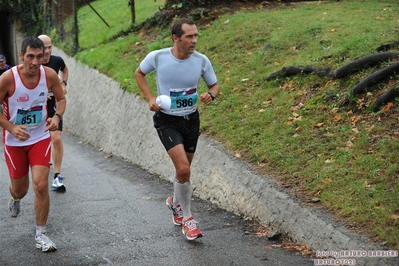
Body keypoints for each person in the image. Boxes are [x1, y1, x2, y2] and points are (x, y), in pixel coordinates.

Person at [134, 18, 220, 240]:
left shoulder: (201, 61)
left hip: (191, 119)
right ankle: (188, 221)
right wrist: (150, 97)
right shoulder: (159, 57)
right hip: (167, 120)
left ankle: (174, 202)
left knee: (184, 171)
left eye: (196, 35)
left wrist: (210, 95)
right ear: (176, 38)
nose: (194, 40)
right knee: (183, 169)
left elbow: (214, 85)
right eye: (189, 36)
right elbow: (139, 73)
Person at [0, 36, 66, 252]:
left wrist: (56, 118)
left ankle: (41, 234)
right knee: (21, 189)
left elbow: (61, 99)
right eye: (30, 57)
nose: (35, 62)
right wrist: (11, 127)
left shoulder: (48, 76)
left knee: (40, 185)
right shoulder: (8, 79)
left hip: (39, 138)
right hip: (14, 141)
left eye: (40, 57)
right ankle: (14, 197)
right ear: (21, 56)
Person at [38, 34, 68, 192]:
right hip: (36, 111)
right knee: (42, 141)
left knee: (56, 138)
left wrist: (63, 83)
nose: (48, 51)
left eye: (50, 47)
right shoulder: (32, 64)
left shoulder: (57, 61)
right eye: (45, 48)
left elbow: (65, 69)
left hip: (53, 108)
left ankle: (57, 175)